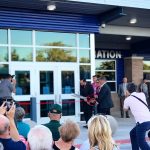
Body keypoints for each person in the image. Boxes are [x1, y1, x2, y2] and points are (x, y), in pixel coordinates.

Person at [124, 82, 150, 150]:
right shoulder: (142, 94)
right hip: (148, 120)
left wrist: (126, 96)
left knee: (142, 143)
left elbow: (125, 109)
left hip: (142, 123)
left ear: (127, 90)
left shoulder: (127, 99)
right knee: (132, 134)